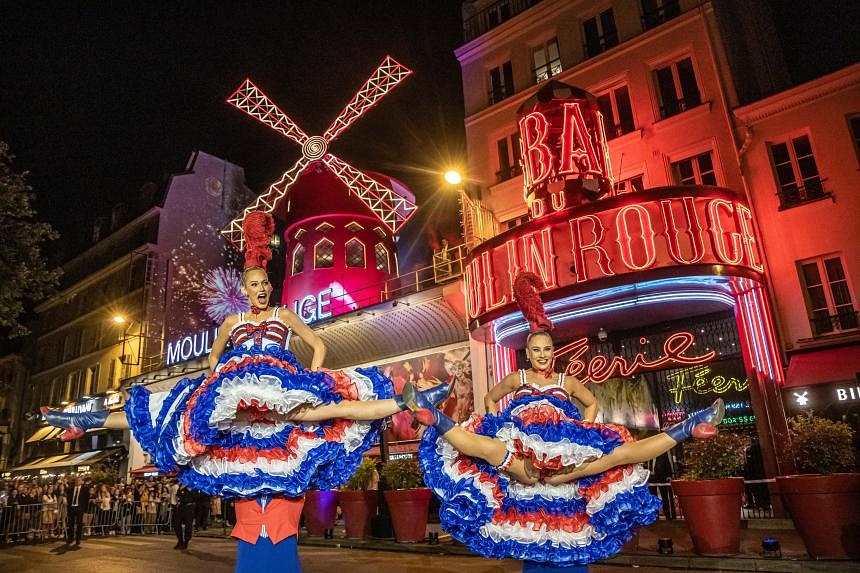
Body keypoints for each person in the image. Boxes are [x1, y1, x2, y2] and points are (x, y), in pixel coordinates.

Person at [40, 211, 452, 572]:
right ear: (244, 287)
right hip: (239, 394)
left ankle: (407, 402)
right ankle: (85, 418)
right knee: (167, 408)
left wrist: (313, 374)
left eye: (264, 284)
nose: (260, 289)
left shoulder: (283, 314)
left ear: (269, 287)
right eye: (253, 284)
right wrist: (215, 382)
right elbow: (212, 359)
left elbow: (318, 343)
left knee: (327, 409)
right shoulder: (231, 323)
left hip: (280, 388)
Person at [412, 272, 724, 567]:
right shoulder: (517, 377)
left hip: (563, 458)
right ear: (529, 352)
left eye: (547, 349)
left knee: (620, 454)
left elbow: (591, 403)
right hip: (522, 455)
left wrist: (584, 429)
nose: (542, 355)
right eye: (536, 350)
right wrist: (498, 421)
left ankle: (688, 426)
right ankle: (433, 416)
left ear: (553, 350)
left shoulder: (566, 381)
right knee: (483, 447)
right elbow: (490, 398)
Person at [65, 477, 90, 546]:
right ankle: (71, 538)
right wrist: (68, 507)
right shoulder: (71, 489)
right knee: (70, 524)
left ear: (82, 481)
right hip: (72, 508)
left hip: (80, 509)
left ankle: (78, 538)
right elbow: (68, 498)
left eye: (79, 480)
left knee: (79, 524)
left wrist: (85, 510)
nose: (77, 482)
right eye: (76, 480)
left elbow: (86, 500)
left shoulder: (85, 489)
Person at [174, 483, 195, 550]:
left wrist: (190, 490)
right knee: (177, 524)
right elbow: (177, 495)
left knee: (188, 526)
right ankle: (180, 541)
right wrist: (180, 489)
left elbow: (197, 496)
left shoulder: (193, 485)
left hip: (189, 507)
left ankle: (186, 542)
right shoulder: (181, 486)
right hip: (181, 507)